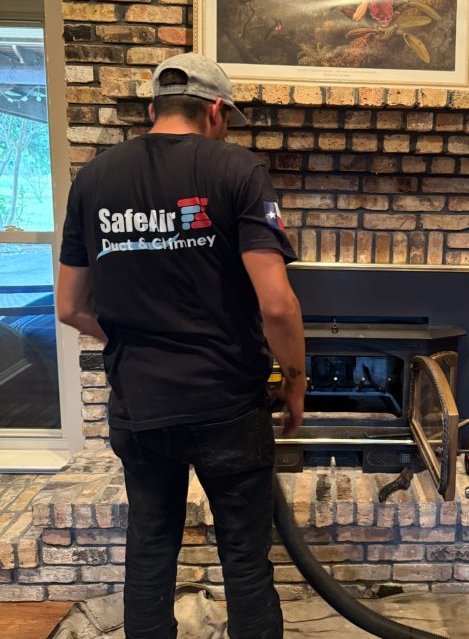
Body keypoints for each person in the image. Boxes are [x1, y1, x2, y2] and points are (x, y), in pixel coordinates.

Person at [56, 52, 306, 639]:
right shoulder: (237, 169)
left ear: (152, 109)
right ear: (216, 111)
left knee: (149, 551)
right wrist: (294, 381)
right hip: (227, 404)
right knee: (244, 558)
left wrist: (127, 339)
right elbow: (277, 304)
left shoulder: (92, 179)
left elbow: (69, 307)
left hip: (139, 407)